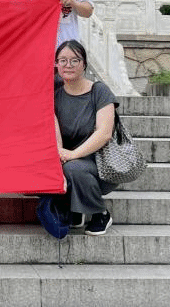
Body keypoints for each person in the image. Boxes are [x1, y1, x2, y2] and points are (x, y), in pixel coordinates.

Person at [53, 39, 117, 236]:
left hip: (99, 164)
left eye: (75, 60)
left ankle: (100, 213)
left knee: (73, 168)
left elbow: (104, 133)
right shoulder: (55, 93)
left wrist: (72, 155)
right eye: (62, 60)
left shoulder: (99, 91)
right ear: (56, 64)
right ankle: (75, 210)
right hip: (66, 158)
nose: (68, 65)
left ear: (84, 64)